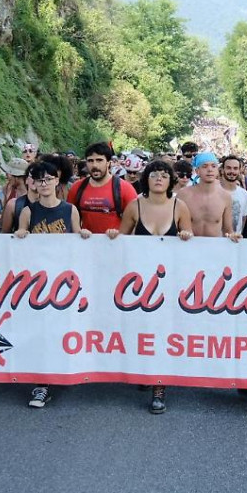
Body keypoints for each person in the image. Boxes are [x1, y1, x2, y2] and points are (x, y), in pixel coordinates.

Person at [108, 159, 194, 413]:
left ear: (170, 180)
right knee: (143, 330)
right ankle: (146, 370)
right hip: (140, 283)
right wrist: (114, 235)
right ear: (146, 178)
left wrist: (186, 237)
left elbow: (192, 247)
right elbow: (121, 240)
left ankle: (160, 385)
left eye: (164, 175)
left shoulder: (180, 206)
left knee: (164, 332)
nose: (158, 178)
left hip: (169, 282)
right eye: (154, 174)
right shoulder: (135, 206)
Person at [17, 161, 90, 409]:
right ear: (33, 184)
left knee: (63, 330)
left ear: (57, 181)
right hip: (37, 282)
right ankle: (42, 384)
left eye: (49, 179)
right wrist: (20, 236)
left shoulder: (70, 210)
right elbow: (17, 242)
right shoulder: (28, 211)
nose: (44, 184)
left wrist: (84, 236)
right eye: (39, 180)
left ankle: (66, 371)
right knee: (40, 333)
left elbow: (77, 237)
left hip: (64, 282)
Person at [68, 142, 139, 235]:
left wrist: (121, 234)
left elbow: (136, 221)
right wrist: (79, 231)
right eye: (90, 161)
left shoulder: (125, 188)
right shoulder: (77, 188)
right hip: (85, 245)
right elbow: (68, 218)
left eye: (99, 160)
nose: (94, 165)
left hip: (115, 245)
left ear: (108, 163)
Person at [178, 152, 238, 239]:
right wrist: (182, 233)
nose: (210, 169)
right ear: (197, 171)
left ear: (218, 170)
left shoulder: (225, 197)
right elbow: (175, 226)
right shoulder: (183, 195)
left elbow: (228, 230)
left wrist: (233, 236)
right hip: (188, 247)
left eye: (213, 166)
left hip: (214, 248)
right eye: (205, 166)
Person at [219, 154, 247, 234]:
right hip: (217, 241)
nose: (232, 171)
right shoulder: (214, 191)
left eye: (235, 168)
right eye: (228, 168)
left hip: (235, 241)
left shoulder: (244, 193)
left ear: (240, 171)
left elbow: (244, 218)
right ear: (222, 170)